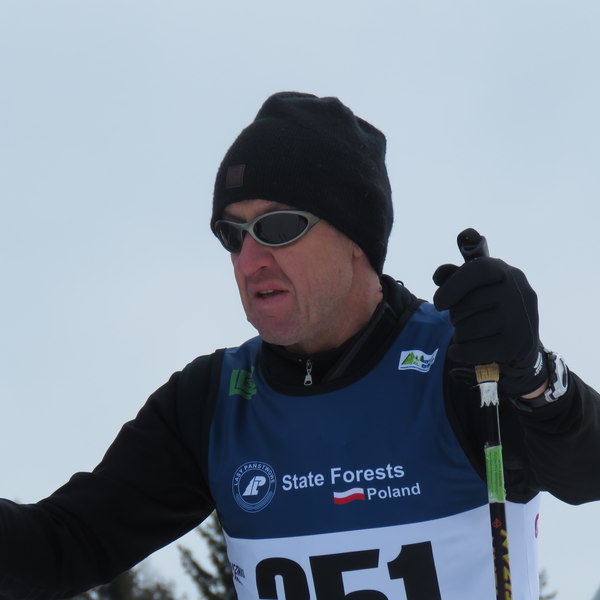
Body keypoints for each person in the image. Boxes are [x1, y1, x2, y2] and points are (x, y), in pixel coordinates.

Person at [1, 91, 599, 600]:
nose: (249, 260)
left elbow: (586, 473)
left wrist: (535, 377)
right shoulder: (212, 402)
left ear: (356, 237)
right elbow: (61, 547)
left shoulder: (459, 363)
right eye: (233, 235)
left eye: (278, 227)